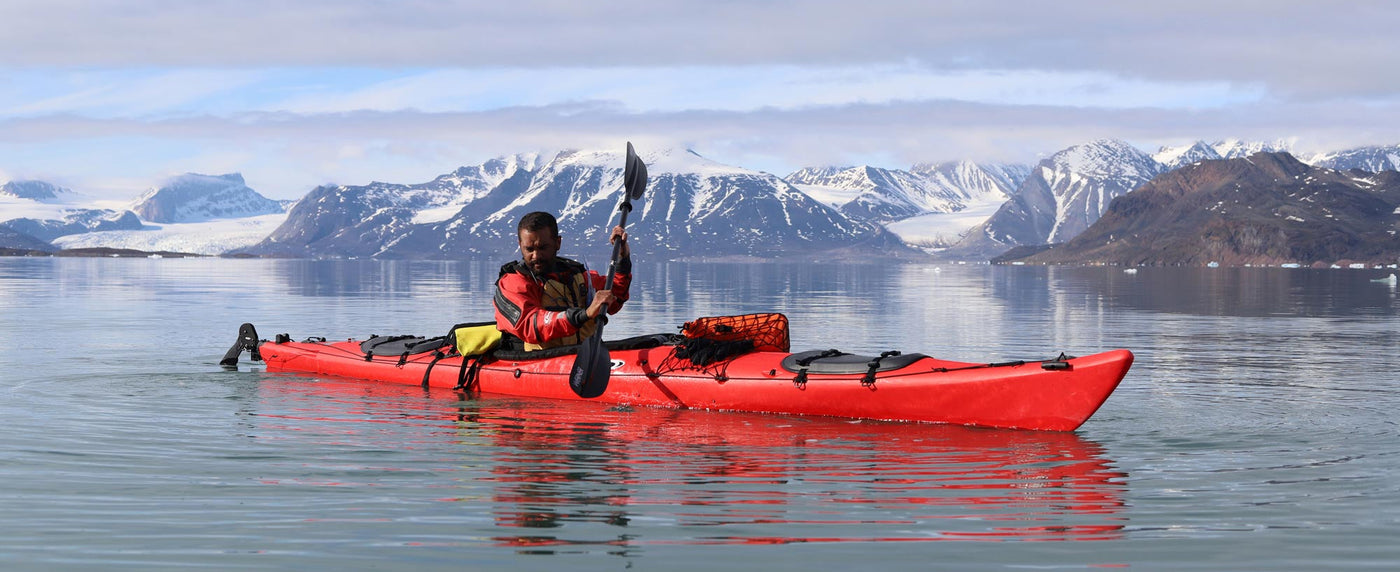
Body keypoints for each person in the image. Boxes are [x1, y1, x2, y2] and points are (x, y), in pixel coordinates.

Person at [494, 211, 631, 351]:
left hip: (585, 355)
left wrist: (622, 257)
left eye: (543, 248)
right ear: (520, 244)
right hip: (538, 362)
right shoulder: (514, 282)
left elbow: (615, 295)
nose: (536, 256)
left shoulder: (576, 274)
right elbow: (531, 324)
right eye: (529, 249)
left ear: (557, 243)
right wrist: (585, 314)